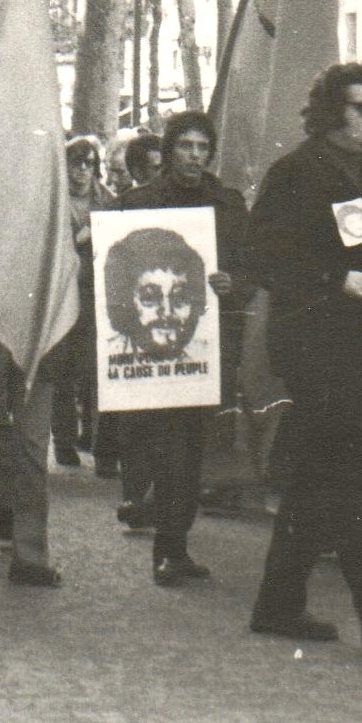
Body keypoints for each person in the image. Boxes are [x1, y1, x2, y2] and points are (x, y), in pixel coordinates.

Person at [247, 64, 362, 657]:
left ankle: (277, 604)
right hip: (313, 346)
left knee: (315, 477)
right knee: (349, 477)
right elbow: (261, 255)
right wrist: (337, 278)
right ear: (331, 112)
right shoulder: (296, 173)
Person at [114, 111, 249, 585]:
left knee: (190, 448)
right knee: (167, 445)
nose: (194, 156)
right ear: (169, 150)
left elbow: (251, 267)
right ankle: (167, 545)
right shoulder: (137, 203)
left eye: (202, 147)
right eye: (185, 146)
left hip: (204, 346)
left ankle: (175, 544)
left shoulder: (228, 204)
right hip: (150, 347)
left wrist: (235, 283)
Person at [56, 136, 114, 468]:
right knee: (64, 369)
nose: (81, 169)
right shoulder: (54, 199)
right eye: (75, 162)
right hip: (65, 291)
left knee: (97, 369)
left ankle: (95, 438)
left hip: (97, 291)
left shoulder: (107, 200)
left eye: (88, 163)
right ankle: (63, 440)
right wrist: (77, 239)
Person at [102, 228, 208, 362]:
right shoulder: (105, 355)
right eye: (150, 298)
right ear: (125, 301)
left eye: (180, 298)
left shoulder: (206, 354)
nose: (167, 312)